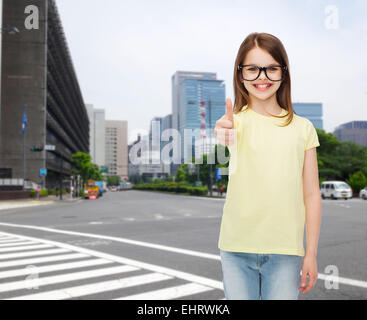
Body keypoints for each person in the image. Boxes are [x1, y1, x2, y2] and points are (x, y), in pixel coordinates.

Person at [214, 32, 321, 300]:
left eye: (272, 68)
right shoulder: (233, 123)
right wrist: (222, 133)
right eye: (252, 69)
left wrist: (311, 254)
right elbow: (225, 134)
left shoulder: (303, 128)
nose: (262, 77)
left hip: (285, 251)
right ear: (240, 75)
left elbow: (311, 195)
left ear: (283, 74)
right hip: (236, 248)